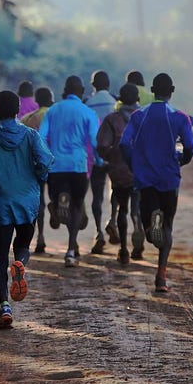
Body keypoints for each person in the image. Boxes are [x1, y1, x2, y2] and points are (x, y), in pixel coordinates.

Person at [0, 91, 53, 329]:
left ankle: (5, 306)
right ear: (17, 110)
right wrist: (38, 176)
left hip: (0, 205)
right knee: (23, 247)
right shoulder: (30, 135)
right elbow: (46, 161)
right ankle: (21, 265)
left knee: (0, 260)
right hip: (28, 203)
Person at [119, 73, 193, 292]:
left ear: (152, 91)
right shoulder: (180, 117)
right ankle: (161, 277)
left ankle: (151, 227)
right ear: (172, 91)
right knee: (168, 226)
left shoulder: (138, 115)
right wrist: (182, 161)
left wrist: (134, 164)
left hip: (145, 178)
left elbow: (124, 144)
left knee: (150, 226)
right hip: (169, 178)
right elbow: (189, 146)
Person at [39, 75, 99, 267]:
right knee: (77, 207)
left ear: (64, 91)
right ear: (82, 92)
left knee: (61, 200)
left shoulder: (52, 110)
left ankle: (57, 205)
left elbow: (41, 137)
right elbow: (95, 141)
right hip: (78, 166)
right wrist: (99, 160)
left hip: (56, 167)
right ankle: (71, 250)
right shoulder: (87, 112)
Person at [96, 83, 142, 264]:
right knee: (136, 208)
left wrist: (111, 157)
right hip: (141, 172)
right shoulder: (144, 117)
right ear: (137, 98)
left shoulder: (112, 119)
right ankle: (139, 232)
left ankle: (123, 249)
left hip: (119, 172)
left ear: (120, 99)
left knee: (122, 209)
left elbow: (102, 145)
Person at [85, 70, 117, 254]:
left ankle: (99, 233)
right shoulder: (116, 103)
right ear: (108, 84)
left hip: (96, 156)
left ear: (93, 85)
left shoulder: (88, 103)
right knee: (115, 191)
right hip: (115, 155)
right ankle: (112, 220)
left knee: (97, 196)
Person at [20, 86, 55, 253]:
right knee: (59, 195)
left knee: (37, 202)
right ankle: (56, 207)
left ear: (37, 101)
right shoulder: (55, 114)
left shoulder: (27, 119)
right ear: (50, 99)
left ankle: (39, 237)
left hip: (33, 166)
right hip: (57, 164)